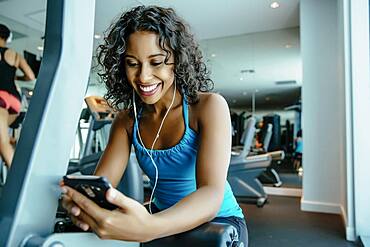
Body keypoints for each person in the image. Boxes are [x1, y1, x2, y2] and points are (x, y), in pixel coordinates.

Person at [60, 5, 248, 245]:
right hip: (160, 220)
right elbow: (102, 185)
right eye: (132, 63)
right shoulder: (127, 120)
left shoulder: (208, 107)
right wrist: (82, 203)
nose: (143, 77)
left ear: (177, 61)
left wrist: (150, 228)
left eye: (157, 62)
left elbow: (211, 195)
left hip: (219, 222)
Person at [0, 24, 35, 168]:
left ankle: (19, 182)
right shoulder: (15, 55)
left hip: (0, 99)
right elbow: (31, 76)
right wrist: (16, 79)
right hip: (14, 101)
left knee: (2, 142)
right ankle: (10, 140)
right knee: (3, 137)